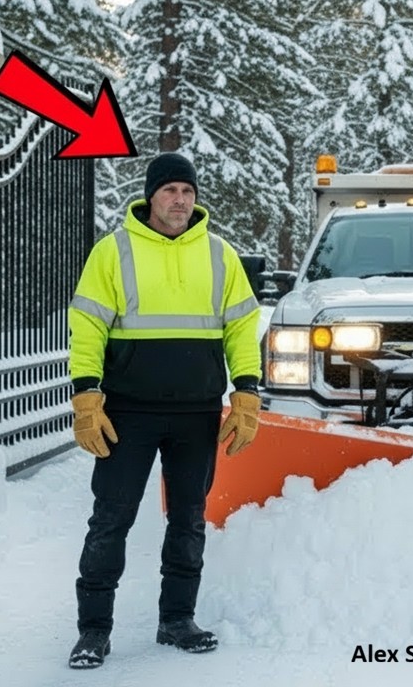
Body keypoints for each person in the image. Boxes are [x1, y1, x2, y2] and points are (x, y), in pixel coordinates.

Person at [65, 152, 262, 669]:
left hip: (197, 413)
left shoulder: (220, 255)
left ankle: (177, 619)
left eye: (188, 191)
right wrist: (87, 392)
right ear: (151, 196)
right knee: (111, 518)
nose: (180, 199)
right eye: (171, 190)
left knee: (189, 518)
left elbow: (242, 325)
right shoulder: (114, 252)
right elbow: (87, 323)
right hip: (128, 412)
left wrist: (247, 389)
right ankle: (93, 631)